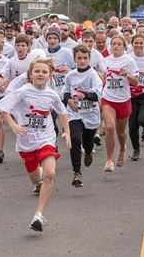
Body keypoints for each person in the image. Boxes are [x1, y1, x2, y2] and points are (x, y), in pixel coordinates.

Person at [0, 57, 71, 232]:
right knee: (36, 178)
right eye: (37, 71)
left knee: (50, 173)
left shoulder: (52, 94)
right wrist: (13, 125)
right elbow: (3, 107)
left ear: (50, 75)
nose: (40, 74)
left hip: (46, 139)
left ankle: (38, 214)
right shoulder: (23, 91)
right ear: (30, 74)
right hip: (26, 142)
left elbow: (63, 112)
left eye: (44, 72)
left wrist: (67, 132)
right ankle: (38, 179)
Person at [63, 44, 103, 187]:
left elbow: (98, 94)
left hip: (91, 114)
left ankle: (88, 152)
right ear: (74, 60)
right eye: (79, 58)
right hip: (75, 113)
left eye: (85, 58)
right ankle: (77, 172)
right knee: (74, 138)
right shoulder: (70, 75)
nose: (82, 61)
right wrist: (68, 100)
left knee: (87, 143)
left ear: (89, 59)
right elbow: (65, 92)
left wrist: (84, 94)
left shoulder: (93, 75)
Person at [101, 34, 139, 171]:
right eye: (113, 44)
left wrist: (127, 75)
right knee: (110, 127)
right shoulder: (105, 61)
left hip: (123, 100)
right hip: (108, 98)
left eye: (119, 44)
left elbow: (136, 81)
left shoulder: (129, 61)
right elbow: (103, 79)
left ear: (124, 47)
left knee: (121, 132)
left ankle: (122, 148)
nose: (116, 46)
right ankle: (109, 160)